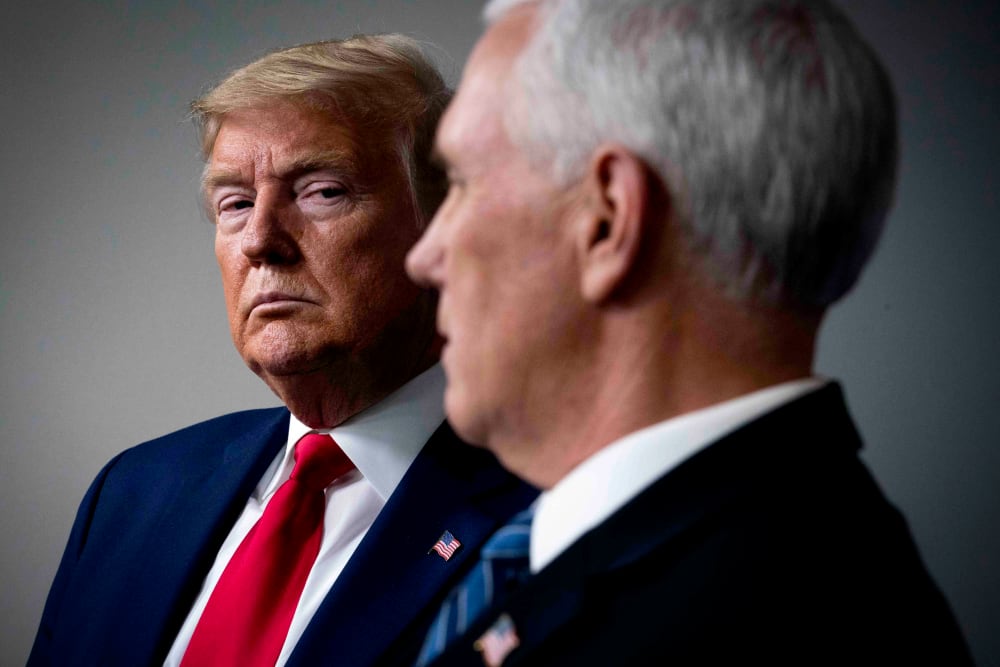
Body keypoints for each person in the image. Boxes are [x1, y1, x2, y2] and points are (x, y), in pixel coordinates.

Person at [405, 1, 972, 664]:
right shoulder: (810, 561)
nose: (424, 256)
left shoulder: (740, 619)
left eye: (462, 184)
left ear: (607, 220)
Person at [28, 35, 535, 667]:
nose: (260, 240)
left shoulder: (553, 509)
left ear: (448, 226)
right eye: (234, 204)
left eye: (322, 191)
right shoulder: (132, 493)